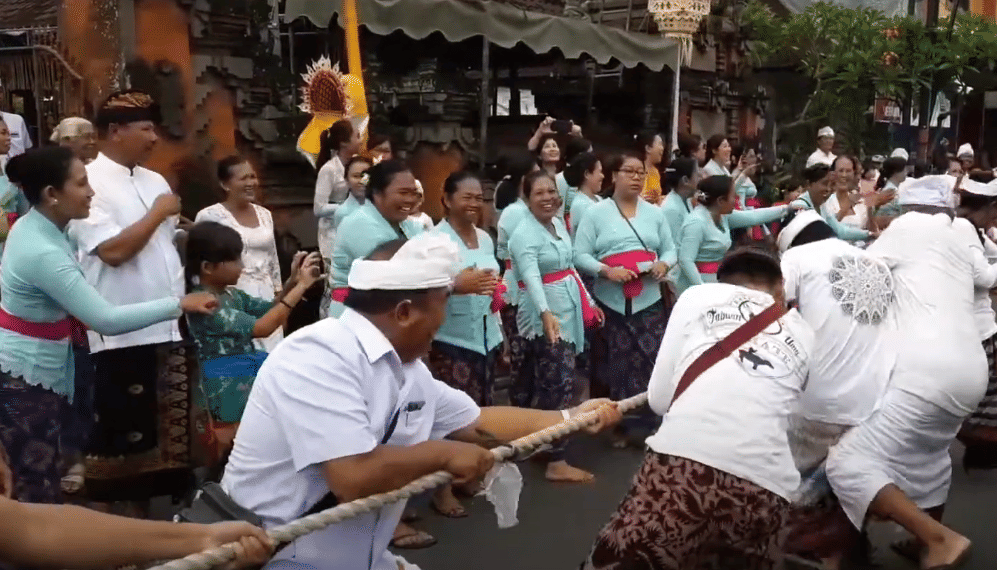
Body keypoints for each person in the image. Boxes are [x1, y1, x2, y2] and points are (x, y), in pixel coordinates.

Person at [220, 233, 622, 570]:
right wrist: (443, 455)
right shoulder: (317, 355)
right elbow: (352, 478)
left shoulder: (407, 369)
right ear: (405, 312)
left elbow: (475, 420)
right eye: (443, 304)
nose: (445, 320)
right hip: (282, 557)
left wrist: (570, 416)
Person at [0, 147, 217, 510]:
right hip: (26, 379)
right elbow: (105, 319)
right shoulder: (42, 252)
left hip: (44, 366)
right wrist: (178, 303)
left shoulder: (43, 226)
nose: (91, 192)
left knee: (45, 477)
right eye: (82, 184)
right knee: (35, 492)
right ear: (52, 194)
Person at [581, 247, 815, 570]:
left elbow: (659, 399)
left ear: (722, 280)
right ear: (780, 287)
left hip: (683, 468)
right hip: (768, 486)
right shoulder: (805, 332)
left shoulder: (698, 297)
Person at [825, 175, 988, 570]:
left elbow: (862, 275)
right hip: (970, 370)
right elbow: (982, 279)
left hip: (925, 369)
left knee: (847, 462)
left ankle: (938, 539)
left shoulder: (908, 228)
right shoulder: (958, 236)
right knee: (930, 454)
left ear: (911, 209)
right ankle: (923, 539)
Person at [64, 91, 204, 513]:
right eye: (145, 128)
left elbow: (160, 247)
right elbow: (112, 252)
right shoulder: (89, 184)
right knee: (119, 459)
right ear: (114, 131)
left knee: (165, 456)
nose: (154, 138)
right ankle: (117, 548)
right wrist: (158, 214)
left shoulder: (153, 180)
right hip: (121, 336)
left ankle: (155, 540)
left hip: (167, 325)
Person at [184, 221, 322, 459]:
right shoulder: (204, 301)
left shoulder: (230, 294)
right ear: (208, 267)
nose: (242, 266)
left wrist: (292, 280)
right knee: (231, 451)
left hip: (242, 378)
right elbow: (263, 327)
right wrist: (301, 287)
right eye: (235, 260)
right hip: (223, 385)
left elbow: (269, 308)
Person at [778, 210, 896, 473]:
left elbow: (771, 307)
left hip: (817, 401)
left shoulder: (796, 257)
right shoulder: (876, 262)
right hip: (874, 402)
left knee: (794, 482)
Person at [574, 153, 676, 447]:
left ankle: (649, 423)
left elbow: (670, 250)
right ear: (614, 175)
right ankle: (616, 425)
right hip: (611, 300)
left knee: (651, 360)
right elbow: (579, 255)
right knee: (614, 363)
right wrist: (606, 270)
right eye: (629, 171)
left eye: (640, 173)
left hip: (649, 299)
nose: (635, 177)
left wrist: (663, 265)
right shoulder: (595, 213)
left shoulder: (655, 213)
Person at [509, 171, 603, 483]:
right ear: (526, 198)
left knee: (550, 378)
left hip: (569, 305)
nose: (548, 197)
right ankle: (555, 457)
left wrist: (589, 300)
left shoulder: (557, 226)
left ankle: (537, 442)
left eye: (552, 191)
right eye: (540, 193)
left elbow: (570, 265)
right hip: (543, 312)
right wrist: (546, 313)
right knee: (558, 382)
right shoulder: (523, 234)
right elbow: (532, 277)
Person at [427, 171, 502, 519]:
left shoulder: (485, 239)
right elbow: (422, 291)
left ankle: (469, 473)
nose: (474, 204)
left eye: (479, 198)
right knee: (447, 419)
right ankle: (441, 490)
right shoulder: (434, 241)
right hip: (450, 337)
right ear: (447, 199)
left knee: (478, 412)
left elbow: (492, 282)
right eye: (466, 197)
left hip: (486, 335)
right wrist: (457, 285)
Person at [195, 156, 285, 351]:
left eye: (253, 177)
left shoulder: (264, 214)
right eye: (243, 178)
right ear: (225, 184)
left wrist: (279, 293)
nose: (251, 183)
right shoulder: (209, 216)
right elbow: (202, 263)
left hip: (266, 292)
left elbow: (272, 257)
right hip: (233, 294)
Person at [328, 160, 425, 319]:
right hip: (351, 315)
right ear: (378, 193)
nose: (410, 199)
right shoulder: (358, 222)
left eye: (413, 193)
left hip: (387, 315)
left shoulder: (409, 225)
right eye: (403, 193)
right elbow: (396, 273)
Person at [675, 175, 790, 294]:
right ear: (720, 201)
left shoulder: (722, 216)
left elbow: (753, 217)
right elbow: (686, 260)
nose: (736, 201)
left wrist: (787, 209)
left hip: (714, 281)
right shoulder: (696, 223)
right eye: (733, 197)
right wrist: (702, 289)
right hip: (695, 287)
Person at [954, 178, 997, 471]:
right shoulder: (962, 230)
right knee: (982, 399)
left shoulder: (972, 230)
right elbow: (984, 277)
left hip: (978, 325)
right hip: (975, 327)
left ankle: (981, 451)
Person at [314, 119, 361, 317]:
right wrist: (345, 208)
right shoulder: (329, 170)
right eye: (357, 136)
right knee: (335, 284)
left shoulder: (358, 166)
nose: (361, 140)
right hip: (332, 234)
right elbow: (318, 207)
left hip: (353, 229)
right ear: (343, 143)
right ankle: (330, 319)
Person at [790, 164, 873, 242]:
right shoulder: (800, 207)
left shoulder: (822, 206)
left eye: (832, 185)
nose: (828, 189)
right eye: (825, 184)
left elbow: (840, 231)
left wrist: (869, 234)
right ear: (809, 184)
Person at [0, 119, 28, 257]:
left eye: (9, 133)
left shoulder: (8, 172)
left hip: (9, 248)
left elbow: (20, 211)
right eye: (3, 133)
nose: (8, 138)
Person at [660, 157, 699, 246]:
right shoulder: (671, 209)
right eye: (697, 175)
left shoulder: (686, 200)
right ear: (685, 180)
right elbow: (674, 246)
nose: (700, 178)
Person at [564, 152, 603, 238]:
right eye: (599, 172)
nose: (602, 176)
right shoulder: (580, 205)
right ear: (587, 174)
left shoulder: (598, 198)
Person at [872, 156, 906, 230]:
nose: (906, 172)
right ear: (895, 172)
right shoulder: (890, 192)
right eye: (903, 170)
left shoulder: (890, 188)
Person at [637, 132, 666, 205]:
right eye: (660, 144)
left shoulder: (655, 172)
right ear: (648, 148)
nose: (662, 148)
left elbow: (657, 197)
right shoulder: (637, 169)